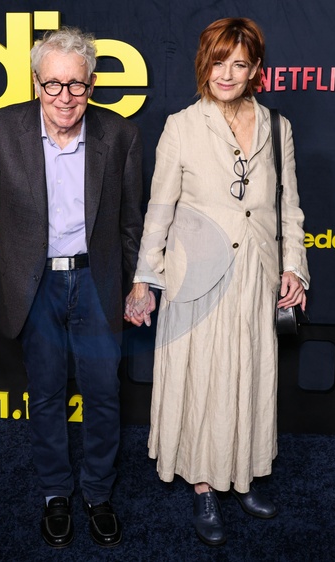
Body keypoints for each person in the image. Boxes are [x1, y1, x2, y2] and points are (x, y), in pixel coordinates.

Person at [0, 27, 143, 549]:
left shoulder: (120, 134)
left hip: (97, 281)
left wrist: (138, 285)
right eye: (53, 84)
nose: (64, 97)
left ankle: (98, 493)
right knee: (47, 394)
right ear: (36, 84)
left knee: (103, 395)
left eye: (76, 85)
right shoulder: (0, 129)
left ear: (91, 85)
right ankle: (56, 493)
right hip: (33, 285)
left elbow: (132, 225)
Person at [125, 17, 309, 546]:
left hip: (256, 273)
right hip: (198, 277)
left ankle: (244, 473)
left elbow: (288, 208)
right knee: (204, 378)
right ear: (203, 64)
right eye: (218, 62)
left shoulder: (277, 126)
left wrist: (294, 267)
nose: (226, 74)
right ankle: (205, 485)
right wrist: (144, 279)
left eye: (239, 64)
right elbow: (159, 208)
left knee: (248, 374)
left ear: (255, 70)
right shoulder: (182, 126)